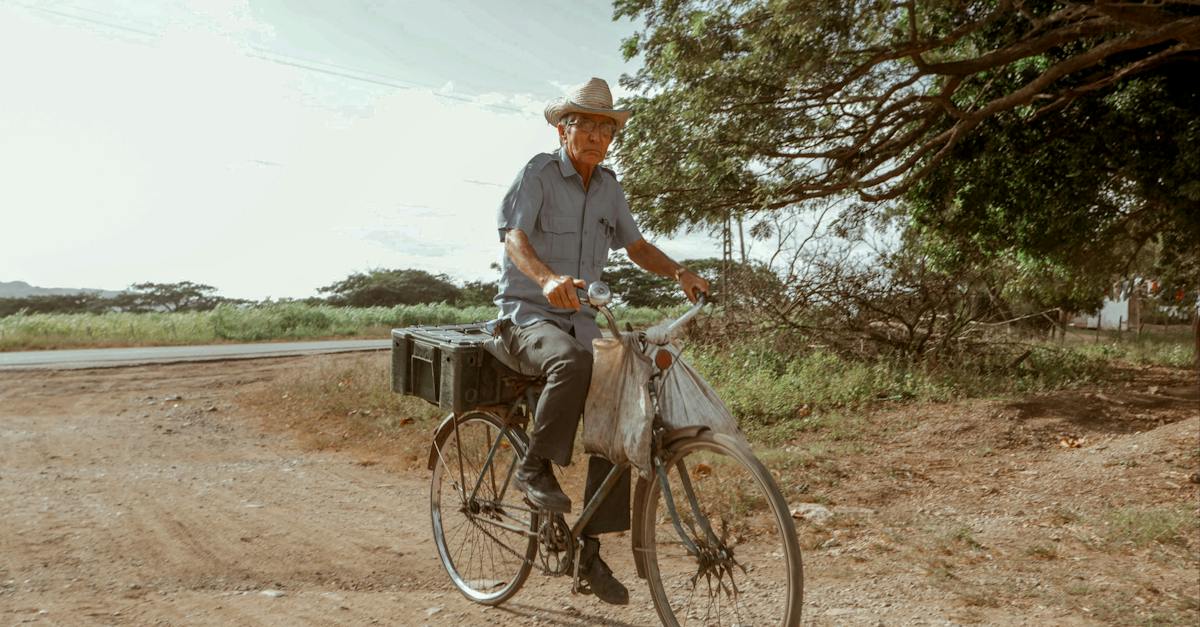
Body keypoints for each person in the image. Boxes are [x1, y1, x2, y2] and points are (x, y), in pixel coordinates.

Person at [493, 77, 709, 605]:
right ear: (564, 128)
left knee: (619, 414)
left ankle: (586, 553)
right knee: (568, 362)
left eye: (604, 127)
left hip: (583, 322)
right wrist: (547, 279)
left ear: (613, 136)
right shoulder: (538, 174)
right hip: (526, 318)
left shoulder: (609, 185)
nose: (594, 135)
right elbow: (513, 237)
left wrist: (680, 272)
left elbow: (635, 245)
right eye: (584, 124)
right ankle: (532, 467)